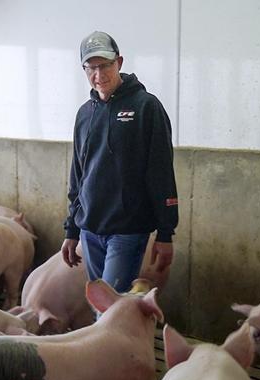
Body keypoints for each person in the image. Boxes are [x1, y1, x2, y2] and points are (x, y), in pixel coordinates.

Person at [61, 30, 178, 294]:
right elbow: (78, 175)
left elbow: (160, 173)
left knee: (109, 309)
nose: (98, 75)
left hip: (127, 230)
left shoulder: (146, 107)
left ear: (120, 62)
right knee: (99, 305)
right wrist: (71, 229)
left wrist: (165, 232)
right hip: (90, 228)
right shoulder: (85, 114)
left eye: (105, 66)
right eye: (90, 68)